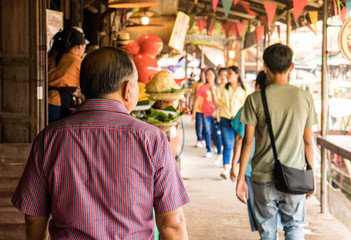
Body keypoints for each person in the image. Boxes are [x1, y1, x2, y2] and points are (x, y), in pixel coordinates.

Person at [12, 47, 190, 239]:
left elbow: (34, 218)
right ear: (127, 89)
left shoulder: (48, 139)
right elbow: (172, 225)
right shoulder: (153, 140)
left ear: (84, 87)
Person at [236, 43, 317, 239]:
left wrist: (240, 179)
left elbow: (247, 142)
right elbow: (308, 142)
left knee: (267, 231)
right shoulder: (304, 98)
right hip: (295, 176)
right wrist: (311, 176)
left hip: (262, 177)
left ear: (265, 67)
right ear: (291, 67)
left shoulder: (254, 99)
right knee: (295, 227)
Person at [230, 71, 269, 232]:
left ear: (257, 86)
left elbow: (241, 139)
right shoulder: (285, 104)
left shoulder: (250, 104)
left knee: (259, 211)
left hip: (251, 165)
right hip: (275, 166)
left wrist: (235, 165)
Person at [211, 66, 246, 179]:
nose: (227, 76)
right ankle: (226, 168)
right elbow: (217, 104)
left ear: (237, 75)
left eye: (230, 74)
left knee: (240, 143)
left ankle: (237, 167)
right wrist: (213, 93)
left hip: (240, 120)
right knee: (228, 143)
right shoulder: (222, 88)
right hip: (225, 118)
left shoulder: (244, 90)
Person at [48, 28, 88, 123]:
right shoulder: (77, 61)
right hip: (61, 103)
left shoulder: (51, 58)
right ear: (79, 46)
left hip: (45, 101)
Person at [192, 68, 222, 158]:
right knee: (207, 131)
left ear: (214, 76)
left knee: (216, 132)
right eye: (207, 75)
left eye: (211, 75)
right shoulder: (202, 87)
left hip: (216, 113)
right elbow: (197, 101)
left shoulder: (219, 87)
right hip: (206, 113)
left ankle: (217, 147)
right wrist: (193, 113)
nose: (209, 77)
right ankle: (209, 150)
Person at [190, 69, 207, 148]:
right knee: (198, 124)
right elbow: (192, 95)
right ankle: (199, 139)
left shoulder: (208, 84)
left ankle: (203, 138)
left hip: (206, 109)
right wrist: (190, 104)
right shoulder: (196, 84)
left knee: (205, 125)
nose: (203, 76)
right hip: (198, 108)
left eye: (204, 74)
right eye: (202, 74)